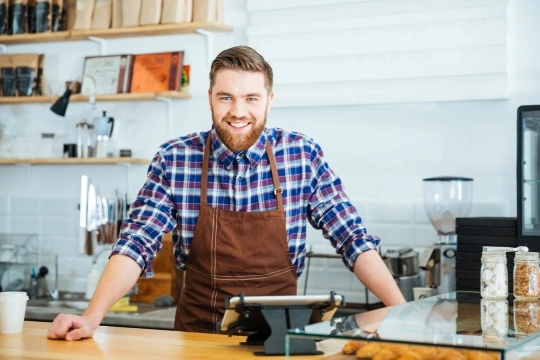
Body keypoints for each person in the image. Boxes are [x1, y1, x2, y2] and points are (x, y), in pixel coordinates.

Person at [47, 45, 406, 340]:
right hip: (199, 337)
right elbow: (136, 243)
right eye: (226, 98)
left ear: (269, 100)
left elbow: (351, 237)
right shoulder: (175, 158)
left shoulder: (302, 154)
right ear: (209, 99)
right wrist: (92, 317)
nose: (238, 112)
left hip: (282, 338)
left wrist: (401, 312)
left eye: (251, 98)